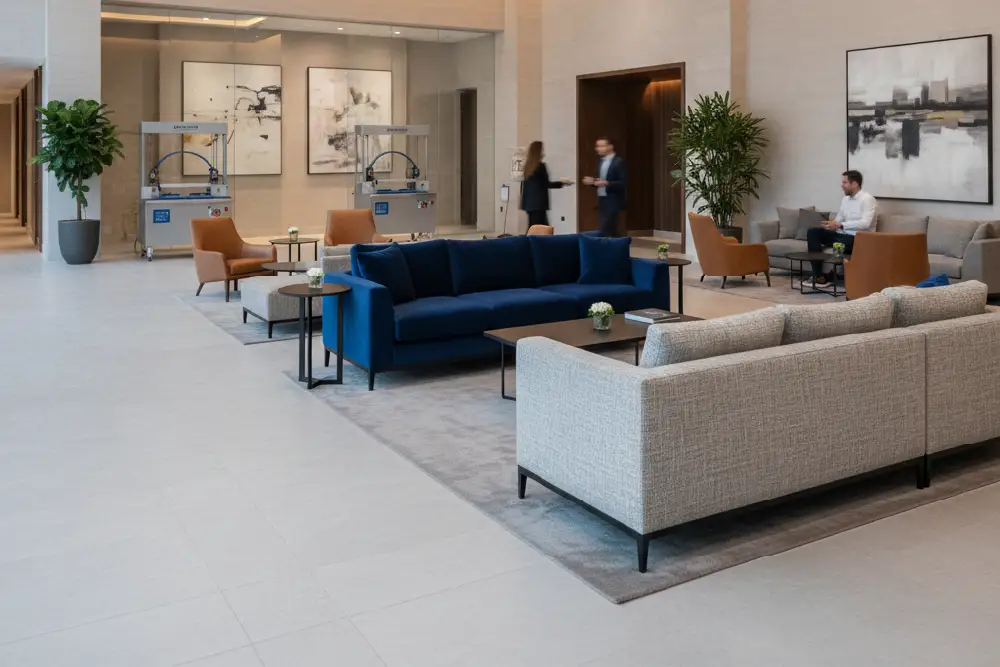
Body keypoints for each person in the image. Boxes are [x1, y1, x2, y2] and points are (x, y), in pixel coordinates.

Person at [807, 170, 877, 283]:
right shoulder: (845, 200)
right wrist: (831, 225)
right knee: (813, 232)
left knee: (841, 243)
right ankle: (818, 275)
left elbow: (865, 224)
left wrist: (841, 225)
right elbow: (839, 219)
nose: (841, 185)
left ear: (854, 184)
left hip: (859, 239)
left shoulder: (868, 199)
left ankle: (833, 275)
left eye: (844, 182)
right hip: (843, 235)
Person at [520, 141, 572, 228]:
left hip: (529, 205)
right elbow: (546, 184)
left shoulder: (528, 167)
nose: (544, 153)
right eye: (542, 150)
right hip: (539, 204)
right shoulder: (540, 167)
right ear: (538, 152)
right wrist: (563, 183)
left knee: (534, 228)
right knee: (540, 230)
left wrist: (524, 204)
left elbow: (525, 188)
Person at [582, 137, 627, 237]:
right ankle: (615, 247)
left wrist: (607, 183)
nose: (598, 149)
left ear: (610, 146)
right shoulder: (601, 162)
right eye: (597, 146)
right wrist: (593, 182)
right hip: (602, 199)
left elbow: (622, 182)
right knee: (607, 228)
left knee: (608, 227)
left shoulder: (618, 162)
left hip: (613, 199)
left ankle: (614, 247)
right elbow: (601, 181)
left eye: (601, 146)